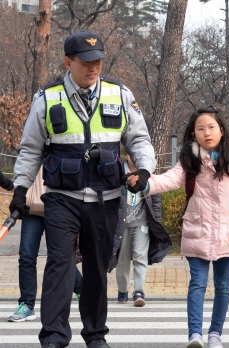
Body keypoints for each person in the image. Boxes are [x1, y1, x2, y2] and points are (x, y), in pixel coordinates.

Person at [9, 31, 156, 348]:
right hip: (63, 198)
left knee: (96, 268)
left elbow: (139, 140)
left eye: (98, 61)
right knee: (60, 264)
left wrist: (144, 170)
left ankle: (95, 334)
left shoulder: (120, 94)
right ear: (68, 62)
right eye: (86, 62)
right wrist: (20, 189)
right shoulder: (47, 99)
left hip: (107, 198)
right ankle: (54, 336)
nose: (94, 68)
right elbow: (31, 149)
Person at [126, 106, 229, 348]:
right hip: (197, 231)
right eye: (200, 128)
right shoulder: (190, 161)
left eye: (211, 127)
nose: (206, 132)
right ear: (193, 133)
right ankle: (195, 335)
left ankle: (215, 333)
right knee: (197, 283)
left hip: (228, 233)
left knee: (223, 286)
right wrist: (144, 184)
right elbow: (169, 180)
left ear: (221, 130)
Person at [8, 170, 83, 323]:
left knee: (61, 256)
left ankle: (83, 290)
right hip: (31, 209)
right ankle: (27, 304)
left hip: (59, 208)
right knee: (27, 256)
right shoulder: (32, 150)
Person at [107, 153, 171, 307]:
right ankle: (122, 291)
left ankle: (139, 292)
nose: (136, 158)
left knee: (140, 256)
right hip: (122, 224)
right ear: (127, 155)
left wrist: (156, 220)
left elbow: (155, 197)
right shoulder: (118, 171)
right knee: (122, 260)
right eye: (133, 154)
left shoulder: (147, 173)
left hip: (142, 222)